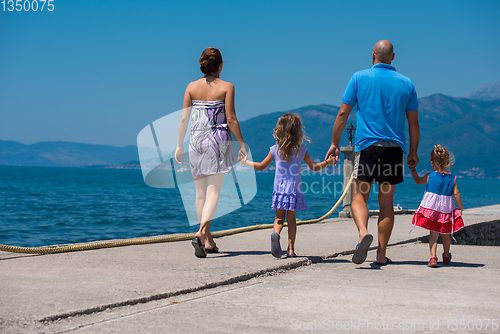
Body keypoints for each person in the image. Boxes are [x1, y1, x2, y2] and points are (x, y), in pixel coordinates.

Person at [325, 40, 420, 265]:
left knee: (359, 196)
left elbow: (342, 114)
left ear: (373, 56)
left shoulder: (359, 77)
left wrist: (334, 143)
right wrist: (413, 152)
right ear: (393, 57)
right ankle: (381, 253)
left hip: (368, 147)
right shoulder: (407, 84)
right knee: (387, 203)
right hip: (395, 149)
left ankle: (362, 234)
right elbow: (413, 123)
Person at [175, 47, 247, 258]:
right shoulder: (227, 87)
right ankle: (200, 233)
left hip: (195, 141)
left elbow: (183, 119)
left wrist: (179, 144)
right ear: (221, 66)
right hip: (217, 141)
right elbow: (231, 119)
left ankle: (208, 240)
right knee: (214, 192)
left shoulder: (191, 87)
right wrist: (241, 144)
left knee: (200, 194)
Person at [243, 113, 333, 258]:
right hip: (294, 190)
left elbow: (260, 167)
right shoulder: (301, 150)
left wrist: (245, 162)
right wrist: (327, 161)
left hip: (279, 191)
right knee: (291, 220)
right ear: (298, 131)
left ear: (279, 130)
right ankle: (290, 249)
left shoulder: (275, 149)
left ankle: (275, 234)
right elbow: (314, 167)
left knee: (278, 219)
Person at [409, 144, 464, 267]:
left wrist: (413, 170)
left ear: (432, 162)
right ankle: (446, 255)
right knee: (446, 233)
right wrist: (460, 207)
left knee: (433, 234)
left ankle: (433, 257)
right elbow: (456, 193)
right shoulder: (452, 178)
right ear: (448, 161)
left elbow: (417, 181)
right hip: (445, 209)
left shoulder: (430, 176)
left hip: (432, 208)